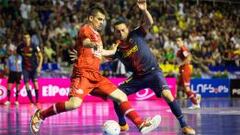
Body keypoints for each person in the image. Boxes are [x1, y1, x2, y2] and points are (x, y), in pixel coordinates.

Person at [30, 5, 161, 135]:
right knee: (74, 104)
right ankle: (40, 115)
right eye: (99, 19)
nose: (101, 22)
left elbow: (99, 57)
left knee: (121, 96)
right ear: (91, 18)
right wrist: (92, 45)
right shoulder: (85, 29)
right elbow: (86, 42)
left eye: (103, 20)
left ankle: (141, 124)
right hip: (83, 75)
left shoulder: (98, 35)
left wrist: (111, 53)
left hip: (96, 76)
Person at [89, 1, 196, 134]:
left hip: (153, 73)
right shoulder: (118, 48)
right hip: (138, 77)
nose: (121, 32)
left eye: (123, 30)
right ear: (115, 33)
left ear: (127, 29)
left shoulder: (136, 34)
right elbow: (106, 54)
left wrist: (144, 10)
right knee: (117, 95)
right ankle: (123, 124)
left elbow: (149, 23)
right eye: (118, 31)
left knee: (167, 95)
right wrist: (93, 51)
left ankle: (184, 125)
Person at [17, 32, 43, 107]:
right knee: (27, 85)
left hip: (34, 68)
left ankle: (37, 101)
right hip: (25, 68)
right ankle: (31, 101)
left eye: (28, 38)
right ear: (23, 39)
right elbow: (17, 56)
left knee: (35, 83)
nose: (26, 39)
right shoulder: (20, 47)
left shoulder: (34, 46)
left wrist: (39, 66)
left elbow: (41, 56)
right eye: (25, 38)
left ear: (30, 38)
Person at [175, 37, 201, 109]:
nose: (177, 42)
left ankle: (196, 104)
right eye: (176, 41)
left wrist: (181, 64)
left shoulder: (183, 49)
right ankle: (196, 96)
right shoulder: (179, 51)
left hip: (185, 70)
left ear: (182, 42)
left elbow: (189, 58)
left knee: (186, 89)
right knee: (180, 86)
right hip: (182, 70)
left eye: (179, 41)